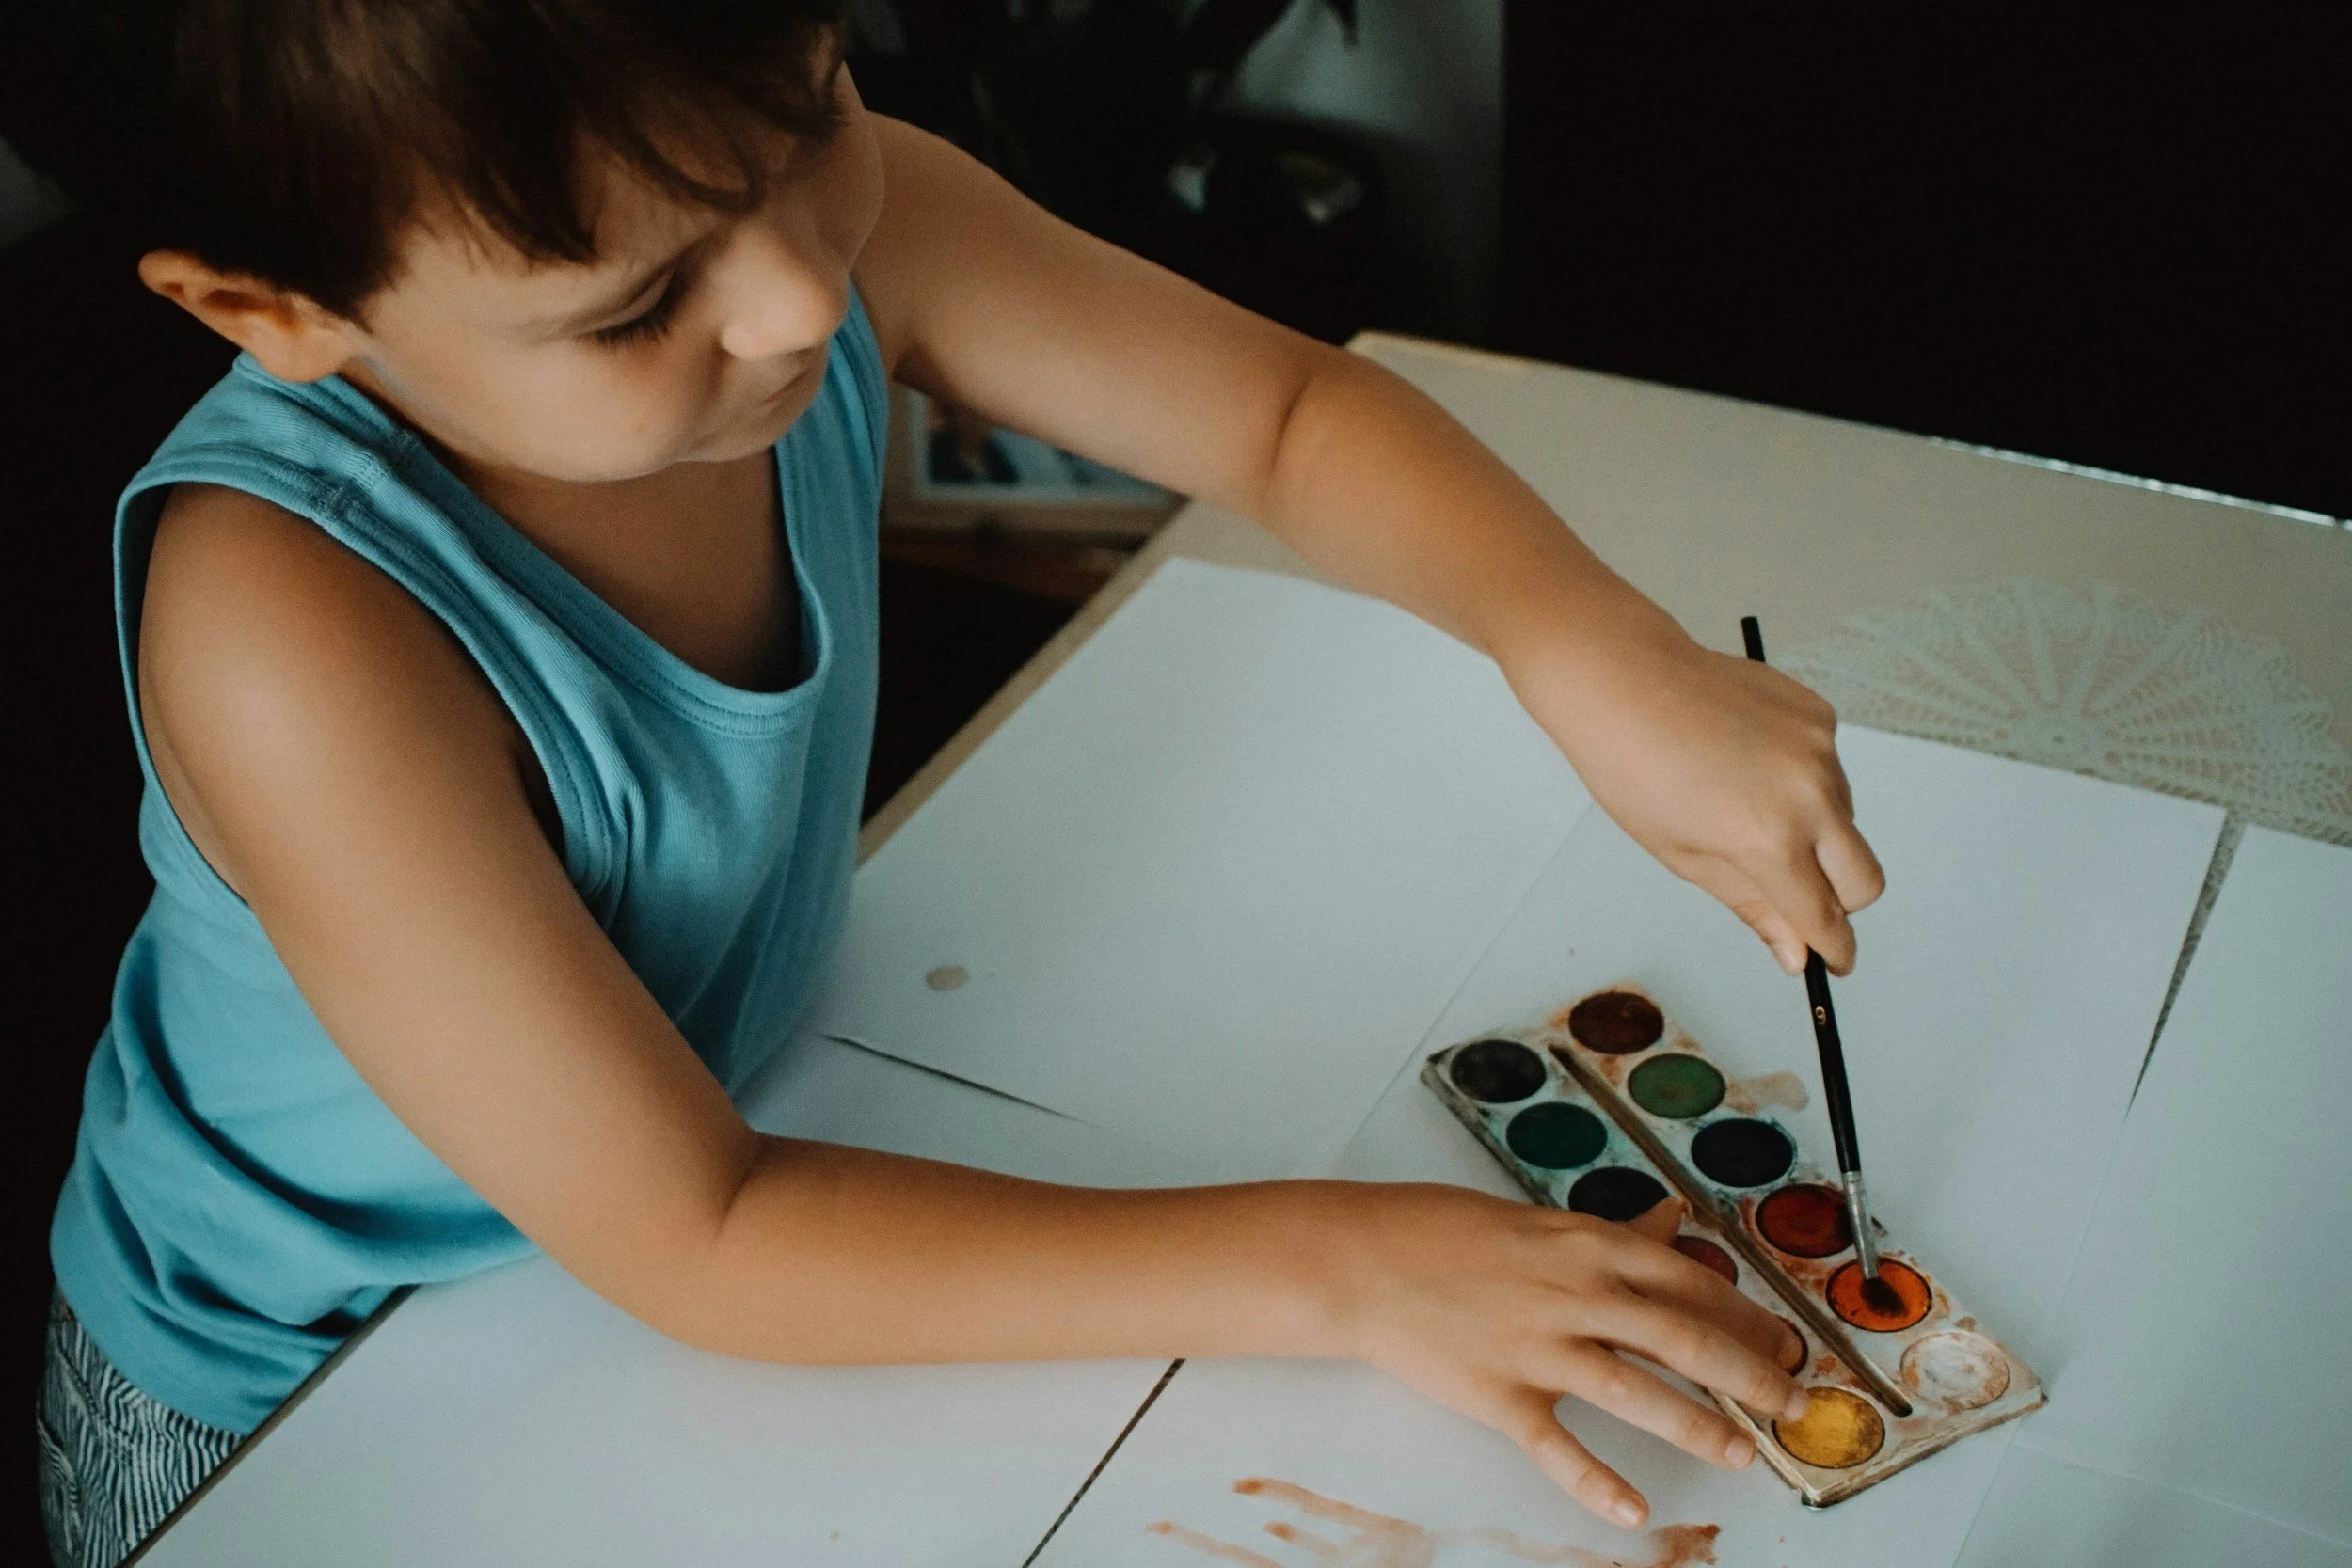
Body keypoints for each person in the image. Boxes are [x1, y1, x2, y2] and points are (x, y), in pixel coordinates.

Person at [26, 3, 1884, 1562]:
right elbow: (705, 1232)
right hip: (296, 1394)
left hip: (676, 1192)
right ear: (267, 309)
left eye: (814, 104)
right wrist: (1344, 1265)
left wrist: (1589, 643)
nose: (795, 304)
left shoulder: (818, 235)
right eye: (633, 304)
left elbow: (1286, 413)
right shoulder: (287, 626)